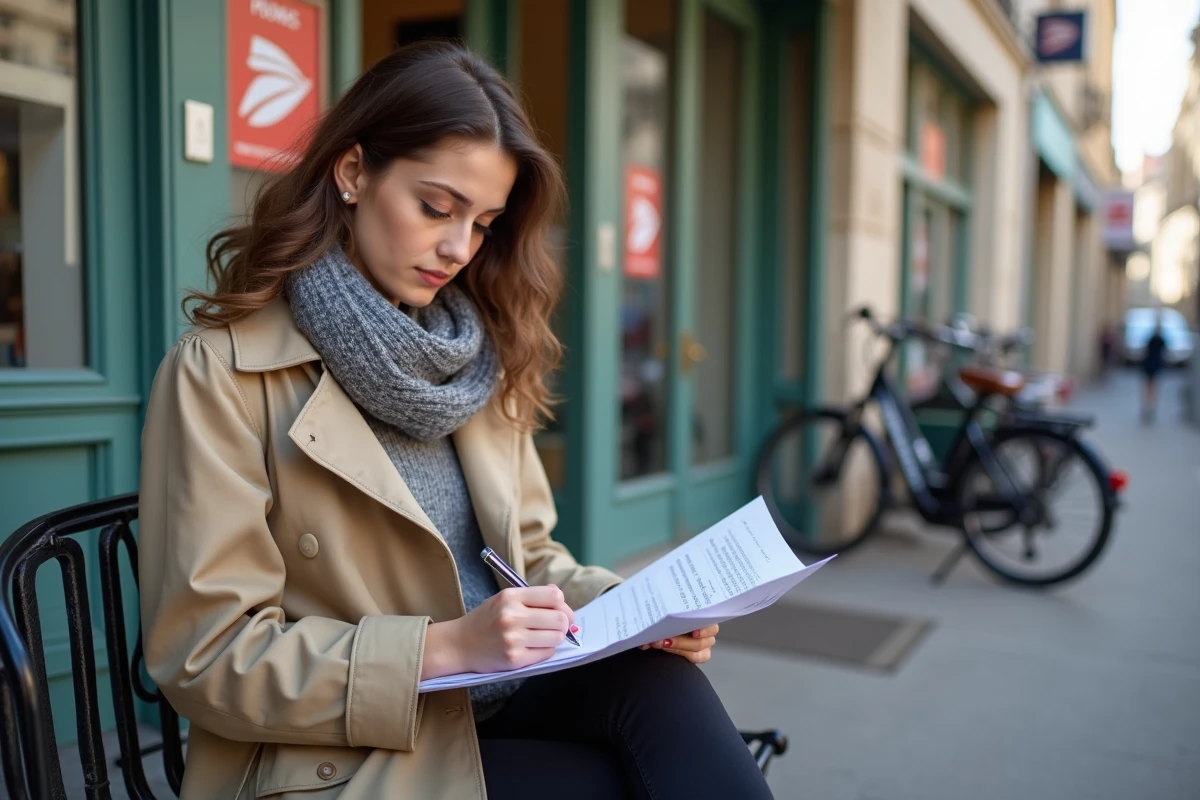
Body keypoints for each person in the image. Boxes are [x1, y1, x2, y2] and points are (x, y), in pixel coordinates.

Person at [138, 42, 772, 800]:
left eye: (483, 223)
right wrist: (443, 649)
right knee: (619, 783)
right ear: (352, 173)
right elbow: (209, 657)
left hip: (493, 703)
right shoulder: (224, 374)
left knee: (659, 685)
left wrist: (631, 610)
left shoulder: (475, 356)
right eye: (436, 207)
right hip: (346, 752)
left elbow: (531, 558)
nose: (456, 248)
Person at [1140, 318, 1168, 423]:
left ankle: (1148, 407)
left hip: (1152, 365)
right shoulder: (1158, 340)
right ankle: (1149, 407)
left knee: (1150, 387)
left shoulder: (1156, 340)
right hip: (1153, 365)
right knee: (1151, 387)